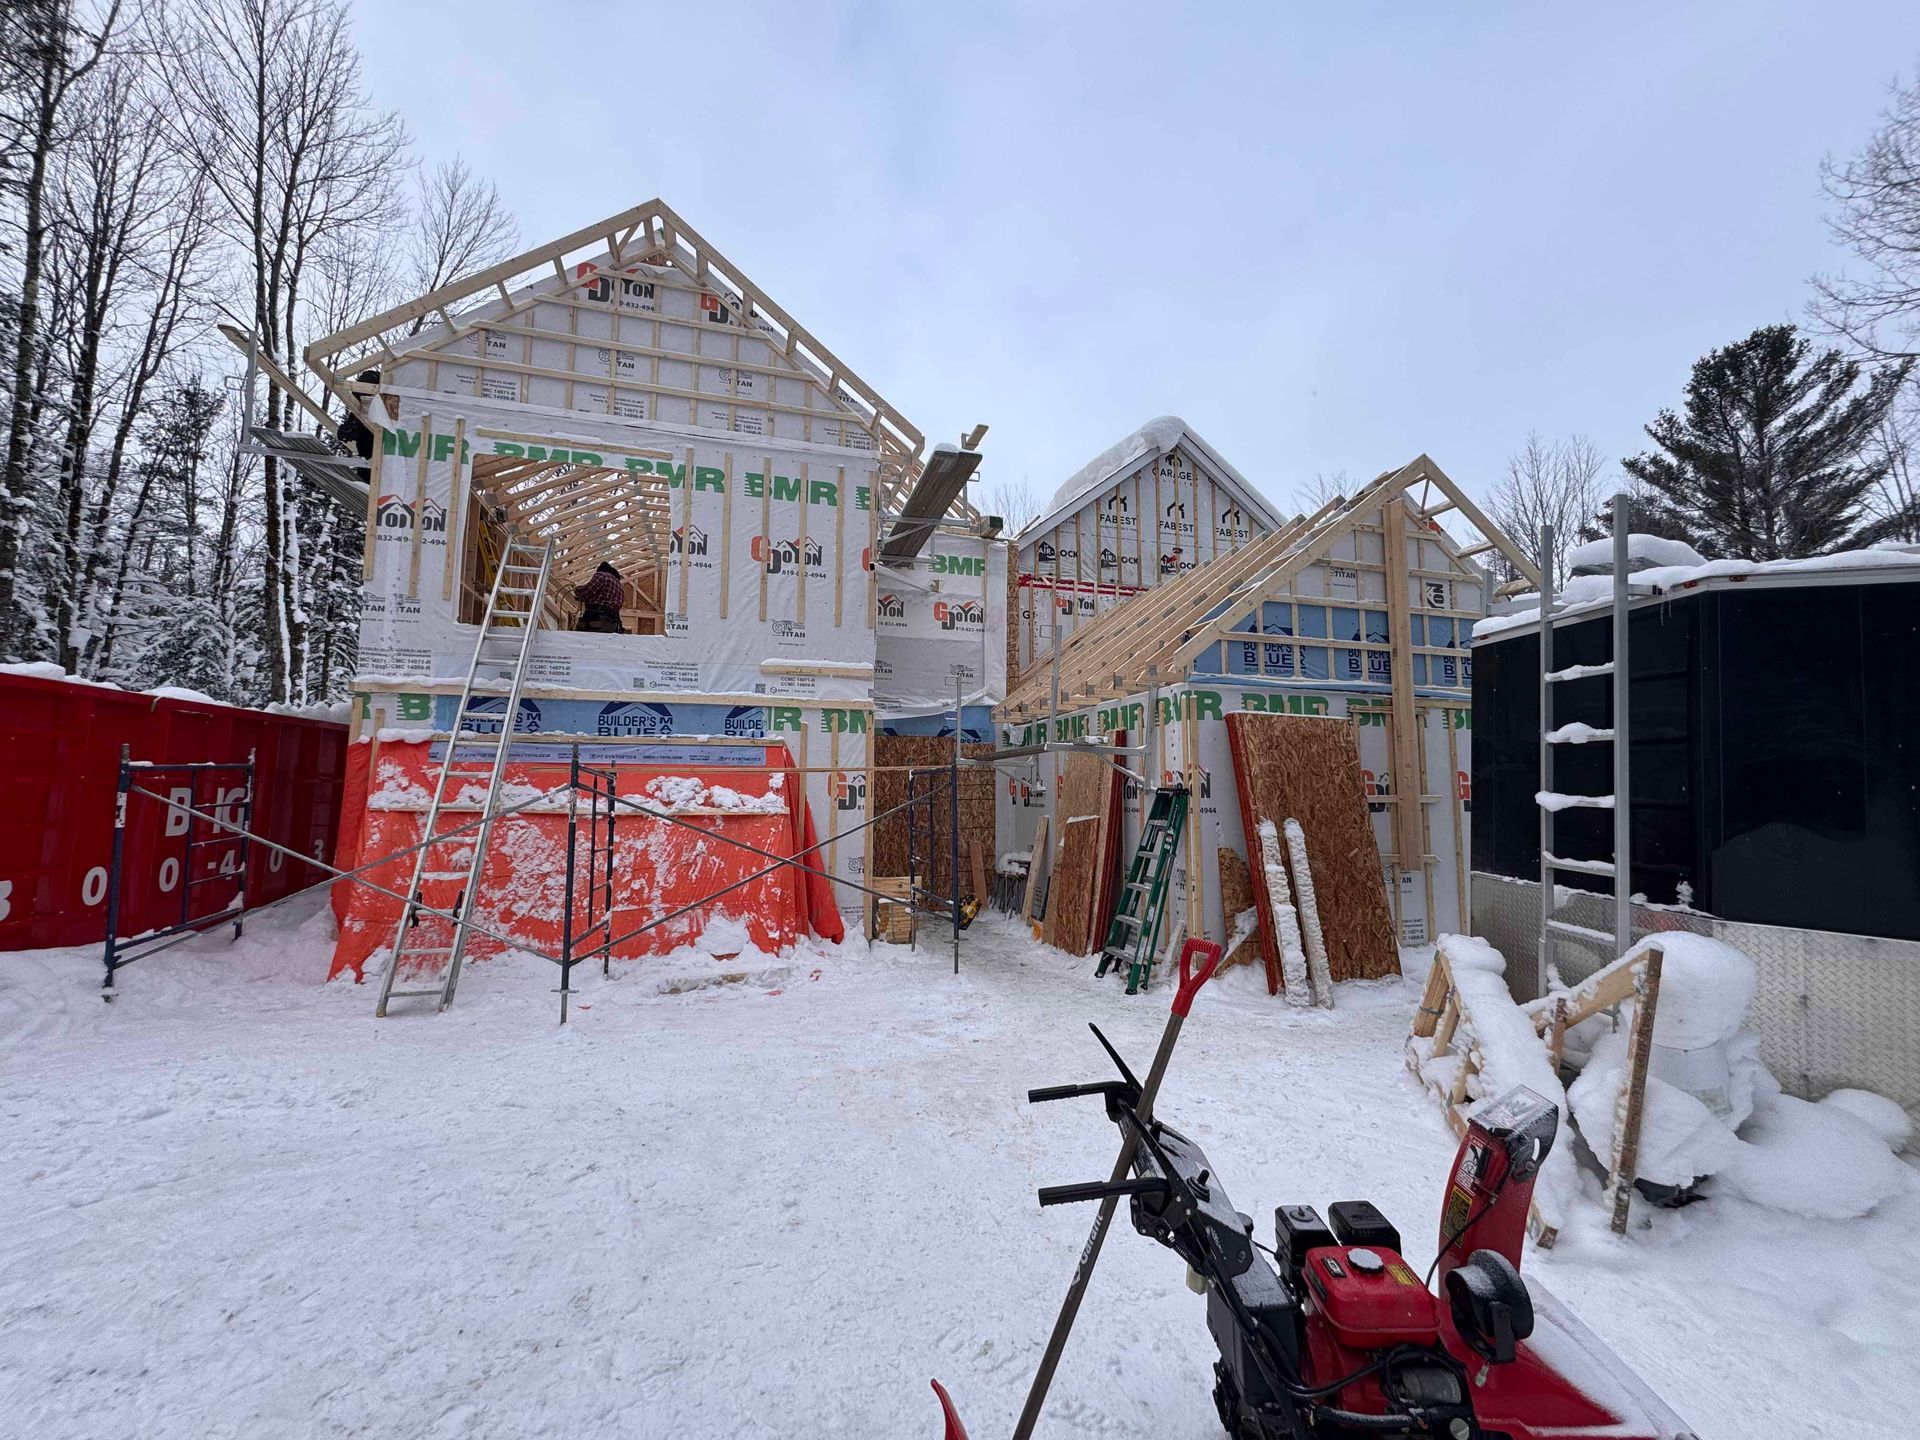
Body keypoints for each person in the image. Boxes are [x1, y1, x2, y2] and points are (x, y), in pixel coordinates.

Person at [574, 562, 627, 633]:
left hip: (597, 620)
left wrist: (577, 590)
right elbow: (604, 598)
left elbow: (588, 590)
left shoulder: (602, 575)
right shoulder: (620, 586)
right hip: (612, 624)